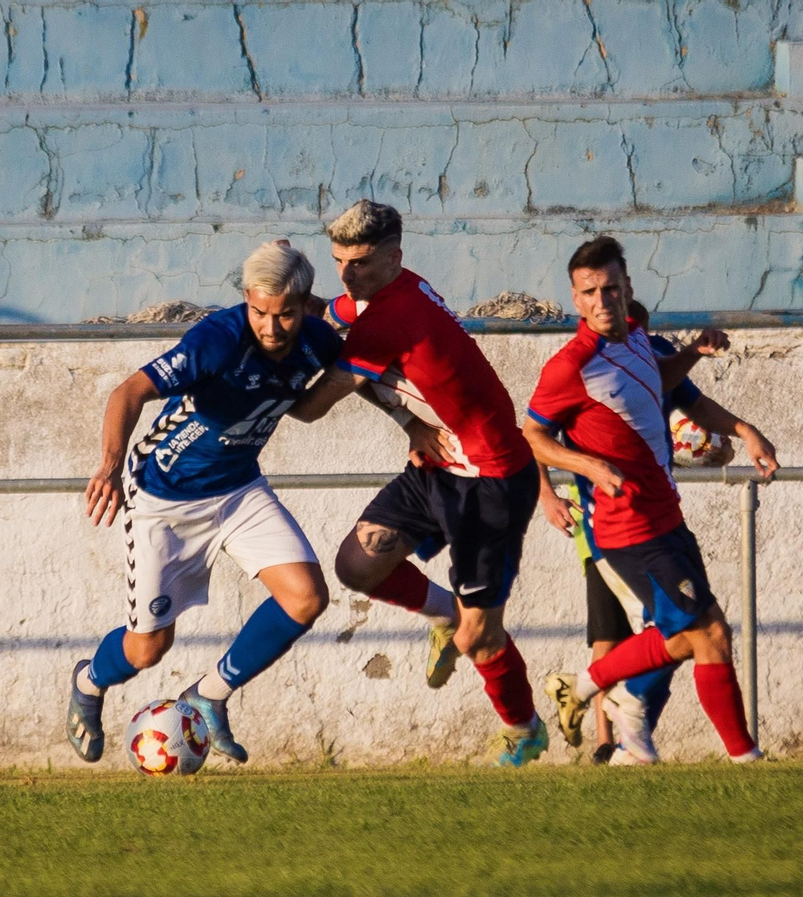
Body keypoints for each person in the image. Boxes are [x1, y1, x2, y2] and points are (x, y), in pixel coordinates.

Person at [288, 200, 547, 766]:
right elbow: (335, 311)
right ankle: (444, 612)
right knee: (358, 565)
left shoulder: (390, 317)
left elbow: (311, 408)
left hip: (491, 483)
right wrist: (287, 290)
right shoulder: (389, 291)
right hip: (437, 463)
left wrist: (256, 381)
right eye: (338, 261)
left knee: (481, 639)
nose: (347, 274)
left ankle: (524, 729)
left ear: (393, 257)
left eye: (358, 262)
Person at [66, 241, 340, 765]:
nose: (270, 328)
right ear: (246, 299)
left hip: (239, 490)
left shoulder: (318, 341)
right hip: (164, 498)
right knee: (148, 649)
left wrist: (413, 424)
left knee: (305, 597)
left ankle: (208, 694)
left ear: (305, 306)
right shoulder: (217, 339)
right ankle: (89, 680)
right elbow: (128, 392)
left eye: (284, 315)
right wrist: (108, 465)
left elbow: (320, 400)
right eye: (259, 311)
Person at [527, 236, 771, 763]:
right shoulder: (570, 367)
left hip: (667, 517)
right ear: (575, 299)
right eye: (589, 292)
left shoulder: (638, 339)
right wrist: (582, 466)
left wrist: (700, 370)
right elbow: (530, 436)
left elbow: (658, 384)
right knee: (703, 630)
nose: (601, 300)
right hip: (623, 529)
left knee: (697, 635)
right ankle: (742, 757)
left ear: (627, 288)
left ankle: (630, 726)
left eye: (610, 288)